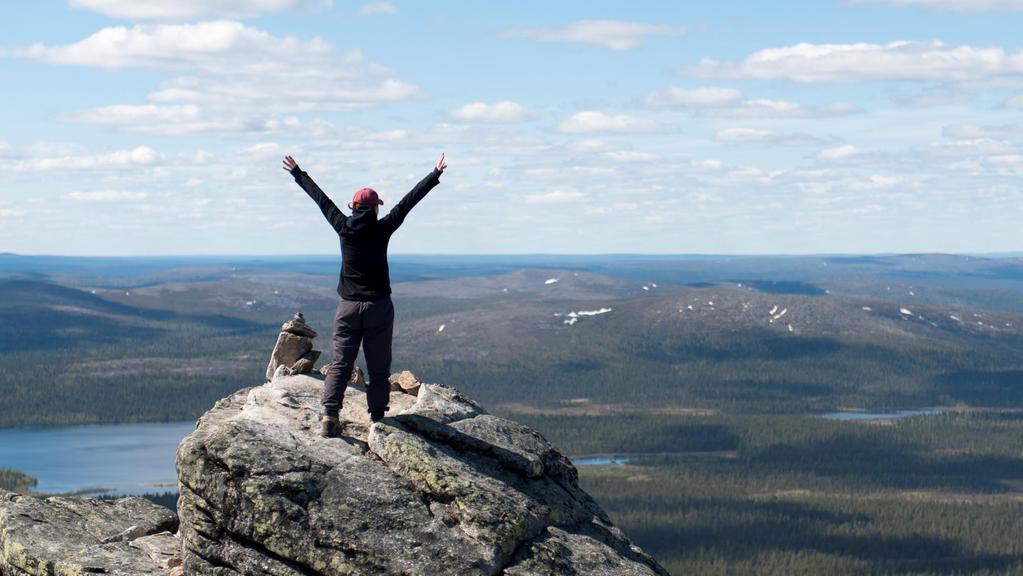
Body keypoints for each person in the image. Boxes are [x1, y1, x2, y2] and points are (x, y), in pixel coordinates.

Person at [283, 153, 447, 437]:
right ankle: (376, 419)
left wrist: (298, 173)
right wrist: (434, 174)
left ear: (354, 207)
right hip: (379, 307)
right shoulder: (383, 228)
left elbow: (320, 199)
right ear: (374, 208)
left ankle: (330, 416)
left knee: (341, 364)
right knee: (378, 366)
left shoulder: (343, 226)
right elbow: (409, 201)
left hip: (348, 308)